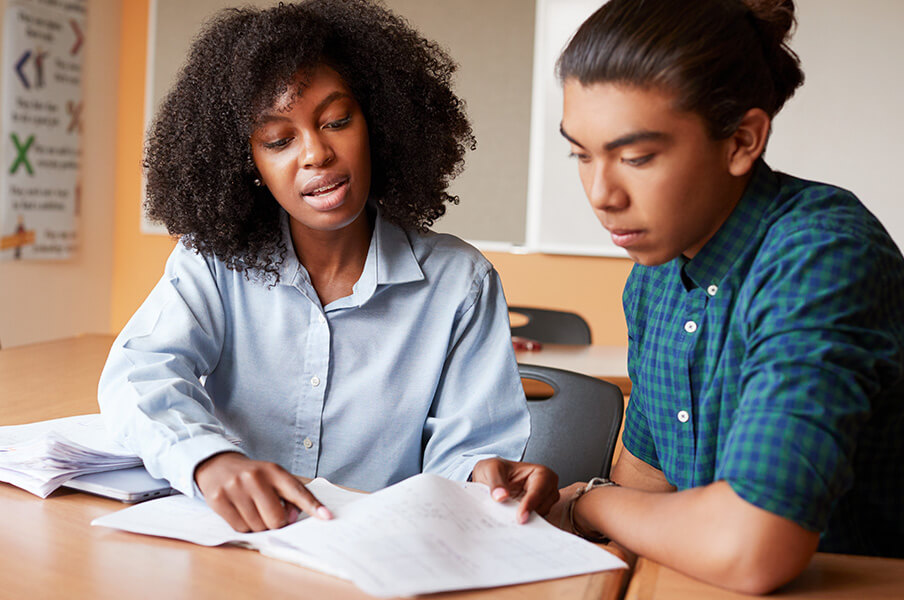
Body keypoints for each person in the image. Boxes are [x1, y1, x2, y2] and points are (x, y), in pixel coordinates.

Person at [98, 0, 558, 534]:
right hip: (235, 548)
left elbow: (467, 456)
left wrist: (485, 477)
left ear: (379, 125)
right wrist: (207, 459)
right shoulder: (214, 263)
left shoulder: (460, 284)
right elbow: (140, 373)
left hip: (377, 558)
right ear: (248, 163)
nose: (316, 153)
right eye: (278, 140)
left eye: (337, 120)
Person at [546, 0, 904, 594]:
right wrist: (555, 505)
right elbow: (647, 485)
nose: (601, 193)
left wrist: (587, 502)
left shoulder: (821, 257)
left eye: (635, 157)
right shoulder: (654, 276)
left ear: (742, 140)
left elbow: (753, 547)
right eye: (582, 154)